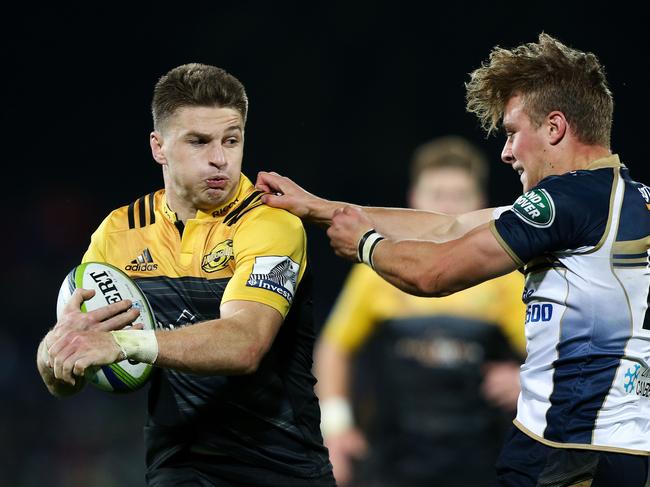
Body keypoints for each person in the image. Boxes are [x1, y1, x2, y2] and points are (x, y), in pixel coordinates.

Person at [255, 33, 650, 486]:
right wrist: (320, 208)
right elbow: (449, 228)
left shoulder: (565, 203)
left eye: (511, 133)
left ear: (555, 128)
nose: (505, 153)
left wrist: (365, 245)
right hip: (625, 447)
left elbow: (433, 273)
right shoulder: (626, 201)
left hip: (570, 453)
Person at [36, 63, 335, 486]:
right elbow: (68, 372)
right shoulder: (120, 231)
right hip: (180, 466)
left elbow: (245, 344)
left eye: (231, 140)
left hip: (284, 467)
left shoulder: (271, 223)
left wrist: (121, 343)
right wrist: (57, 353)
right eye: (198, 142)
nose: (219, 158)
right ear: (159, 147)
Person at [315, 135, 526, 487]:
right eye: (437, 195)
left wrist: (528, 380)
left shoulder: (505, 276)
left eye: (460, 197)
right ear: (413, 200)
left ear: (480, 204)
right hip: (392, 458)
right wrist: (335, 427)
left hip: (481, 459)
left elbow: (555, 352)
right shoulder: (377, 271)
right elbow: (334, 347)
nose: (447, 208)